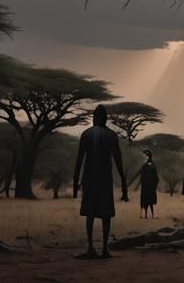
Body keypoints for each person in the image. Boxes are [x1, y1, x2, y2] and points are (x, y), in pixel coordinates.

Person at [73, 104, 128, 260]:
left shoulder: (86, 134)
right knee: (106, 214)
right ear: (105, 119)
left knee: (90, 213)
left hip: (89, 178)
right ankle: (104, 248)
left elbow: (79, 161)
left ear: (94, 118)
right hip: (105, 178)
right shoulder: (111, 135)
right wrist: (124, 185)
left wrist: (75, 182)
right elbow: (118, 161)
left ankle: (90, 247)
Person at [138, 148, 159, 218]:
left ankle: (149, 214)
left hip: (149, 186)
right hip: (147, 186)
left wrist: (154, 184)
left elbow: (155, 177)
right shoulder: (147, 166)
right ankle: (146, 214)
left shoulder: (151, 166)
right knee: (147, 201)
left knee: (149, 201)